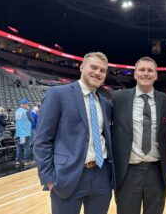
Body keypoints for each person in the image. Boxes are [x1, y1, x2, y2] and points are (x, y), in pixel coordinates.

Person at [34, 52, 115, 214]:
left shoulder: (105, 103)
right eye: (94, 67)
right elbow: (42, 140)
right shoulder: (57, 94)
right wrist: (48, 179)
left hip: (101, 175)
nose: (98, 73)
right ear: (82, 67)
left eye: (102, 70)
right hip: (67, 177)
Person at [112, 57, 166, 214]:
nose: (145, 73)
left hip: (157, 170)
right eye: (142, 70)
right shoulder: (118, 98)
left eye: (150, 70)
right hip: (128, 171)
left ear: (156, 75)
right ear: (135, 74)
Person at [15, 98, 35, 166]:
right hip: (25, 132)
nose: (27, 105)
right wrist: (28, 110)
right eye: (27, 104)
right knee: (26, 146)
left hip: (18, 132)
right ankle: (26, 161)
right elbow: (32, 120)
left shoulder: (17, 111)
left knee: (19, 146)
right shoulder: (27, 111)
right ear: (25, 104)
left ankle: (17, 160)